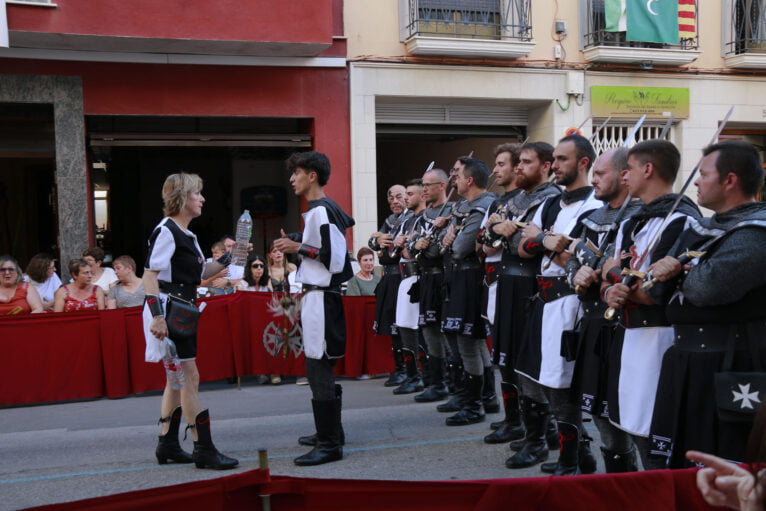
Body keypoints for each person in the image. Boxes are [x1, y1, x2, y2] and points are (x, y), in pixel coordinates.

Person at [647, 140, 766, 468]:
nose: (696, 181)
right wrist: (674, 273)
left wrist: (676, 274)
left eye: (703, 174)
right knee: (676, 460)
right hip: (686, 360)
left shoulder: (756, 232)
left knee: (721, 463)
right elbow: (656, 285)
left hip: (728, 363)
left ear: (730, 181)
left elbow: (708, 287)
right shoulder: (704, 227)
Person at [601, 139, 700, 470]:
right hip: (628, 336)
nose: (624, 176)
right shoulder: (631, 221)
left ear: (648, 169)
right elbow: (609, 271)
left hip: (659, 339)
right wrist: (612, 287)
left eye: (628, 168)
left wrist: (619, 280)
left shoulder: (681, 220)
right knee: (630, 425)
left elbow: (652, 291)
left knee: (656, 435)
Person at [514, 134, 603, 474]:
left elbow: (580, 256)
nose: (555, 165)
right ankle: (580, 455)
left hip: (572, 301)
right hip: (545, 299)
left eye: (563, 159)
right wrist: (543, 240)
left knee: (563, 385)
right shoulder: (550, 203)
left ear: (583, 163)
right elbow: (522, 246)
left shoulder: (595, 205)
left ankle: (573, 459)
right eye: (554, 159)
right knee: (547, 382)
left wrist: (544, 243)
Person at [143, 172, 238, 470]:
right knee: (189, 377)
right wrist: (158, 317)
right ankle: (203, 448)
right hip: (171, 310)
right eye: (197, 193)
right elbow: (149, 276)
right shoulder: (167, 231)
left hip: (180, 309)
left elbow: (198, 274)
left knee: (177, 380)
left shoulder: (186, 233)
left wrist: (230, 258)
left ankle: (168, 444)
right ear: (183, 198)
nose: (202, 198)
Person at [273, 150, 355, 466]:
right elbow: (324, 246)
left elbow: (335, 259)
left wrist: (297, 247)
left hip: (321, 296)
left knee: (318, 366)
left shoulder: (322, 209)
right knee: (316, 365)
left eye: (296, 173)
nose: (292, 178)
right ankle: (331, 432)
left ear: (312, 176)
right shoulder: (319, 210)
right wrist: (296, 240)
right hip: (318, 297)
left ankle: (330, 443)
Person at [481, 142, 561, 451]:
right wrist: (501, 230)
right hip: (507, 282)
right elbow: (487, 238)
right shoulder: (516, 199)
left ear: (545, 166)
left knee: (528, 362)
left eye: (525, 162)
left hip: (530, 285)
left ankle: (540, 434)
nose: (517, 168)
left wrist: (506, 231)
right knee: (508, 358)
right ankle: (529, 426)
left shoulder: (551, 198)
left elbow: (528, 243)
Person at [567, 148, 643, 472]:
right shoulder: (589, 218)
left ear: (625, 175)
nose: (593, 180)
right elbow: (572, 257)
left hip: (628, 329)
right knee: (599, 411)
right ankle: (619, 488)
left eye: (600, 173)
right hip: (593, 321)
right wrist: (578, 274)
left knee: (634, 416)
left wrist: (610, 272)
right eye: (593, 173)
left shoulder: (643, 216)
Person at [439, 156, 496, 426]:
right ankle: (484, 396)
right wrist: (450, 236)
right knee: (469, 340)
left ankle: (475, 405)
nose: (454, 178)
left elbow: (460, 247)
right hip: (458, 276)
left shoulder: (483, 205)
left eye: (457, 173)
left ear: (469, 180)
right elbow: (443, 241)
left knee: (468, 341)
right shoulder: (463, 205)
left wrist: (453, 236)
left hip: (471, 278)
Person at [409, 168, 454, 404]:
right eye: (423, 185)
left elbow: (441, 249)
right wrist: (419, 242)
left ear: (442, 186)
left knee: (446, 334)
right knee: (428, 332)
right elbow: (409, 247)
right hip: (424, 277)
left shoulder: (452, 212)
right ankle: (436, 383)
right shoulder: (421, 216)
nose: (424, 189)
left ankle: (453, 384)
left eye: (428, 185)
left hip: (442, 277)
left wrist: (424, 244)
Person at [370, 184, 410, 387]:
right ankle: (399, 369)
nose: (395, 201)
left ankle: (410, 371)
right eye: (391, 197)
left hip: (403, 278)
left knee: (404, 326)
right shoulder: (389, 221)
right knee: (392, 328)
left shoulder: (410, 219)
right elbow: (373, 242)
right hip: (388, 278)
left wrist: (385, 243)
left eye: (399, 197)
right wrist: (378, 241)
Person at [391, 178, 426, 395]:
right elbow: (393, 251)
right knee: (404, 326)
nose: (405, 198)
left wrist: (405, 247)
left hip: (418, 277)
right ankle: (412, 374)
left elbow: (415, 252)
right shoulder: (405, 221)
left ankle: (422, 376)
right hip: (404, 278)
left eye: (410, 194)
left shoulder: (426, 219)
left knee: (417, 328)